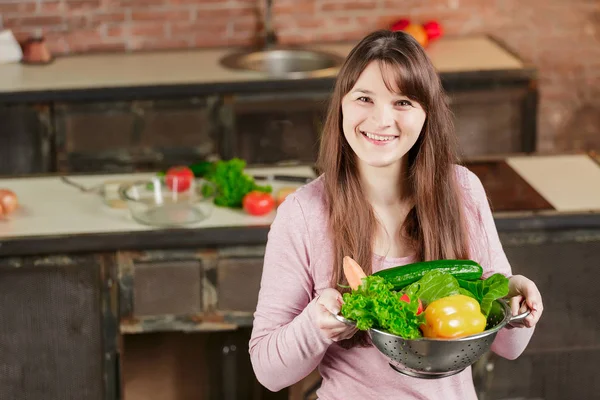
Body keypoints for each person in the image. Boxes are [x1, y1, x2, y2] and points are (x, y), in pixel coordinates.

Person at [249, 29, 543, 399]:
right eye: (364, 98)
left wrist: (517, 305)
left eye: (402, 102)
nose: (381, 120)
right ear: (341, 103)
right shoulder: (303, 213)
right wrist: (314, 326)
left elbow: (509, 347)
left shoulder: (462, 190)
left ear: (426, 114)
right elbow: (268, 372)